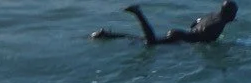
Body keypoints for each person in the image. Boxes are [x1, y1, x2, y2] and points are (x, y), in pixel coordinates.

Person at [92, 2, 237, 44]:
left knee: (141, 40)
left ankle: (107, 35)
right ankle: (138, 14)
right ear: (230, 14)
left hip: (181, 34)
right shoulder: (218, 24)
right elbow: (207, 42)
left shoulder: (212, 15)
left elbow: (195, 23)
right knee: (151, 42)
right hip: (180, 38)